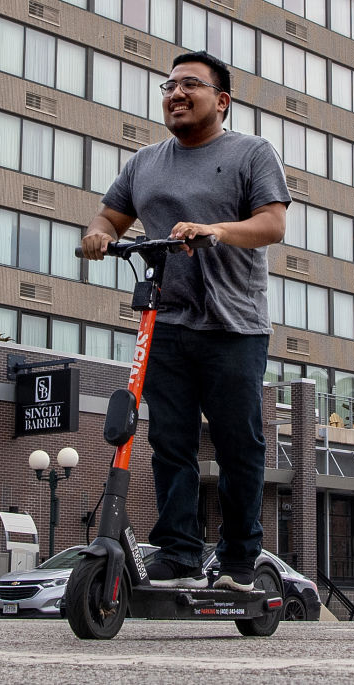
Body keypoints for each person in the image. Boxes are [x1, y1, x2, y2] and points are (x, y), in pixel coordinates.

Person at [80, 51, 288, 590]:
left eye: (190, 85)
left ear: (221, 100)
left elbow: (272, 224)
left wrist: (215, 230)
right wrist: (99, 234)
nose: (175, 94)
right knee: (169, 441)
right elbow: (111, 214)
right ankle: (178, 551)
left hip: (233, 325)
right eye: (168, 85)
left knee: (237, 442)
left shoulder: (251, 153)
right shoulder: (145, 162)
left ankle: (242, 556)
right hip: (166, 321)